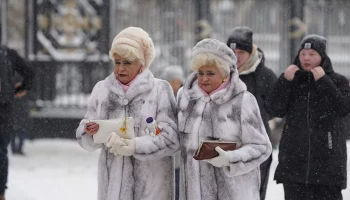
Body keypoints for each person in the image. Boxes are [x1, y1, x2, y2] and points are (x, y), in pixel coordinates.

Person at [76, 27, 179, 200]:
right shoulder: (102, 90)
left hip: (152, 188)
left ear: (142, 64)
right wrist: (89, 130)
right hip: (113, 189)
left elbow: (171, 139)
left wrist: (135, 146)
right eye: (117, 62)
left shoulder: (160, 90)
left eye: (127, 62)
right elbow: (87, 135)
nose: (120, 68)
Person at [177, 38, 272, 199]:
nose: (204, 78)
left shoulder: (243, 101)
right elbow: (174, 137)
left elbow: (262, 147)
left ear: (224, 74)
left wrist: (231, 159)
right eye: (200, 73)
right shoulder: (185, 98)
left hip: (233, 193)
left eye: (210, 73)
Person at [265, 34, 350, 200]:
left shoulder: (338, 81)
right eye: (302, 54)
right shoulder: (293, 80)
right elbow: (274, 109)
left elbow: (343, 108)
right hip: (294, 165)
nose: (306, 58)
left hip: (327, 166)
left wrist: (324, 82)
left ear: (322, 57)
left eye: (312, 54)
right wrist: (284, 81)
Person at [226, 26, 277, 200]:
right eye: (232, 51)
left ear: (250, 52)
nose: (235, 56)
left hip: (257, 145)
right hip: (225, 145)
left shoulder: (265, 75)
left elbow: (274, 108)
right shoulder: (220, 74)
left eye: (241, 51)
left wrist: (253, 121)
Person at [0, 33, 35, 200]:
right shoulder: (7, 54)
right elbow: (30, 72)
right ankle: (1, 193)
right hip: (3, 109)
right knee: (1, 153)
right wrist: (19, 89)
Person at [160, 64, 185, 200]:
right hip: (166, 148)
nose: (175, 84)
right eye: (172, 81)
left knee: (179, 184)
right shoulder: (161, 98)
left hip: (180, 152)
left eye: (177, 81)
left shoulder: (185, 98)